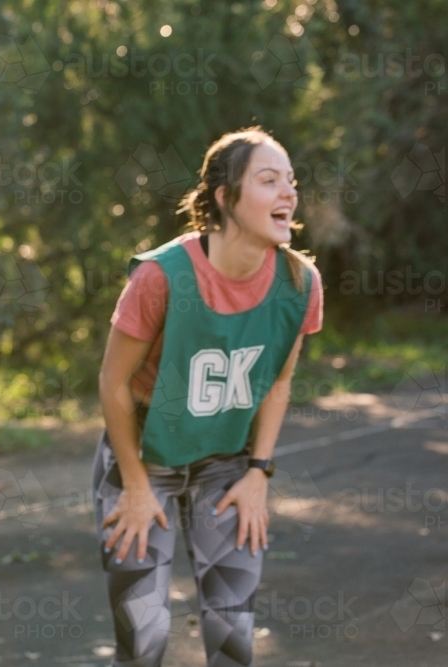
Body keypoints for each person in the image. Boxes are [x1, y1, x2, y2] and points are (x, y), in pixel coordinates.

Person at [93, 128, 323, 667]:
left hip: (227, 462)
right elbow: (113, 382)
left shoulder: (300, 283)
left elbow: (279, 380)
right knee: (144, 636)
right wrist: (133, 484)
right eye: (269, 180)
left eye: (291, 180)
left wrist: (257, 473)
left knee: (232, 632)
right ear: (225, 197)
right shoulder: (161, 278)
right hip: (145, 456)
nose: (289, 192)